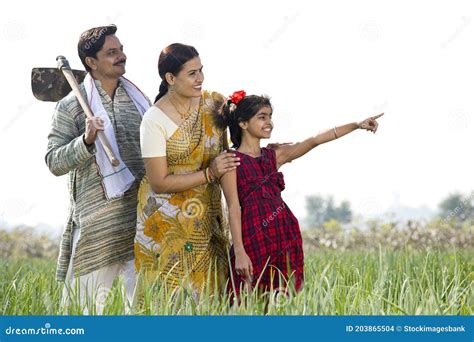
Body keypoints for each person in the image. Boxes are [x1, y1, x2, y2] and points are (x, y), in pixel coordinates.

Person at [217, 90, 384, 297]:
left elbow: (314, 140)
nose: (269, 122)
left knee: (284, 299)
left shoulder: (274, 155)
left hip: (284, 233)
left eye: (270, 116)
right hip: (252, 237)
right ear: (242, 123)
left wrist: (356, 125)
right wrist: (240, 252)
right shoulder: (230, 161)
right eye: (262, 117)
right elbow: (233, 207)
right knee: (245, 298)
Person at [45, 24, 150, 313]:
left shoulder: (143, 104)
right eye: (112, 53)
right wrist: (86, 140)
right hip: (95, 226)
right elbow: (53, 161)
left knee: (146, 314)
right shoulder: (72, 107)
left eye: (121, 50)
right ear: (91, 62)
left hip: (140, 223)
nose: (121, 56)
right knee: (81, 315)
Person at [134, 43, 241, 298]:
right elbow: (158, 181)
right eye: (192, 73)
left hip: (209, 218)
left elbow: (241, 137)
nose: (200, 78)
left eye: (201, 70)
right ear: (170, 78)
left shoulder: (214, 104)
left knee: (211, 300)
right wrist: (208, 174)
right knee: (168, 303)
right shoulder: (154, 119)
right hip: (166, 225)